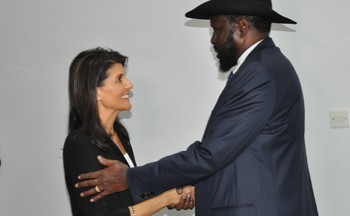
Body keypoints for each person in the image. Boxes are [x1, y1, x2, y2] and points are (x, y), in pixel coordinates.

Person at [75, 0, 319, 215]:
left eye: (216, 29)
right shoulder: (265, 66)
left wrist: (130, 178)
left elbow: (211, 155)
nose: (213, 40)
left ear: (242, 27)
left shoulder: (260, 72)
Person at [63, 47, 194, 216]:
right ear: (96, 92)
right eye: (119, 79)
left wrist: (176, 192)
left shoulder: (120, 134)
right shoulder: (80, 144)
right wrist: (166, 198)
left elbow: (132, 196)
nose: (129, 85)